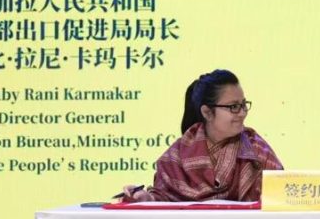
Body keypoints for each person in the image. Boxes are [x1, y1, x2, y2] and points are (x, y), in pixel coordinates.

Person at [120, 69, 283, 202]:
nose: (242, 113)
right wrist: (145, 198)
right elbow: (162, 200)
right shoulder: (178, 155)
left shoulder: (255, 150)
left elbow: (282, 196)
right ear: (207, 112)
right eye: (234, 106)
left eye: (243, 105)